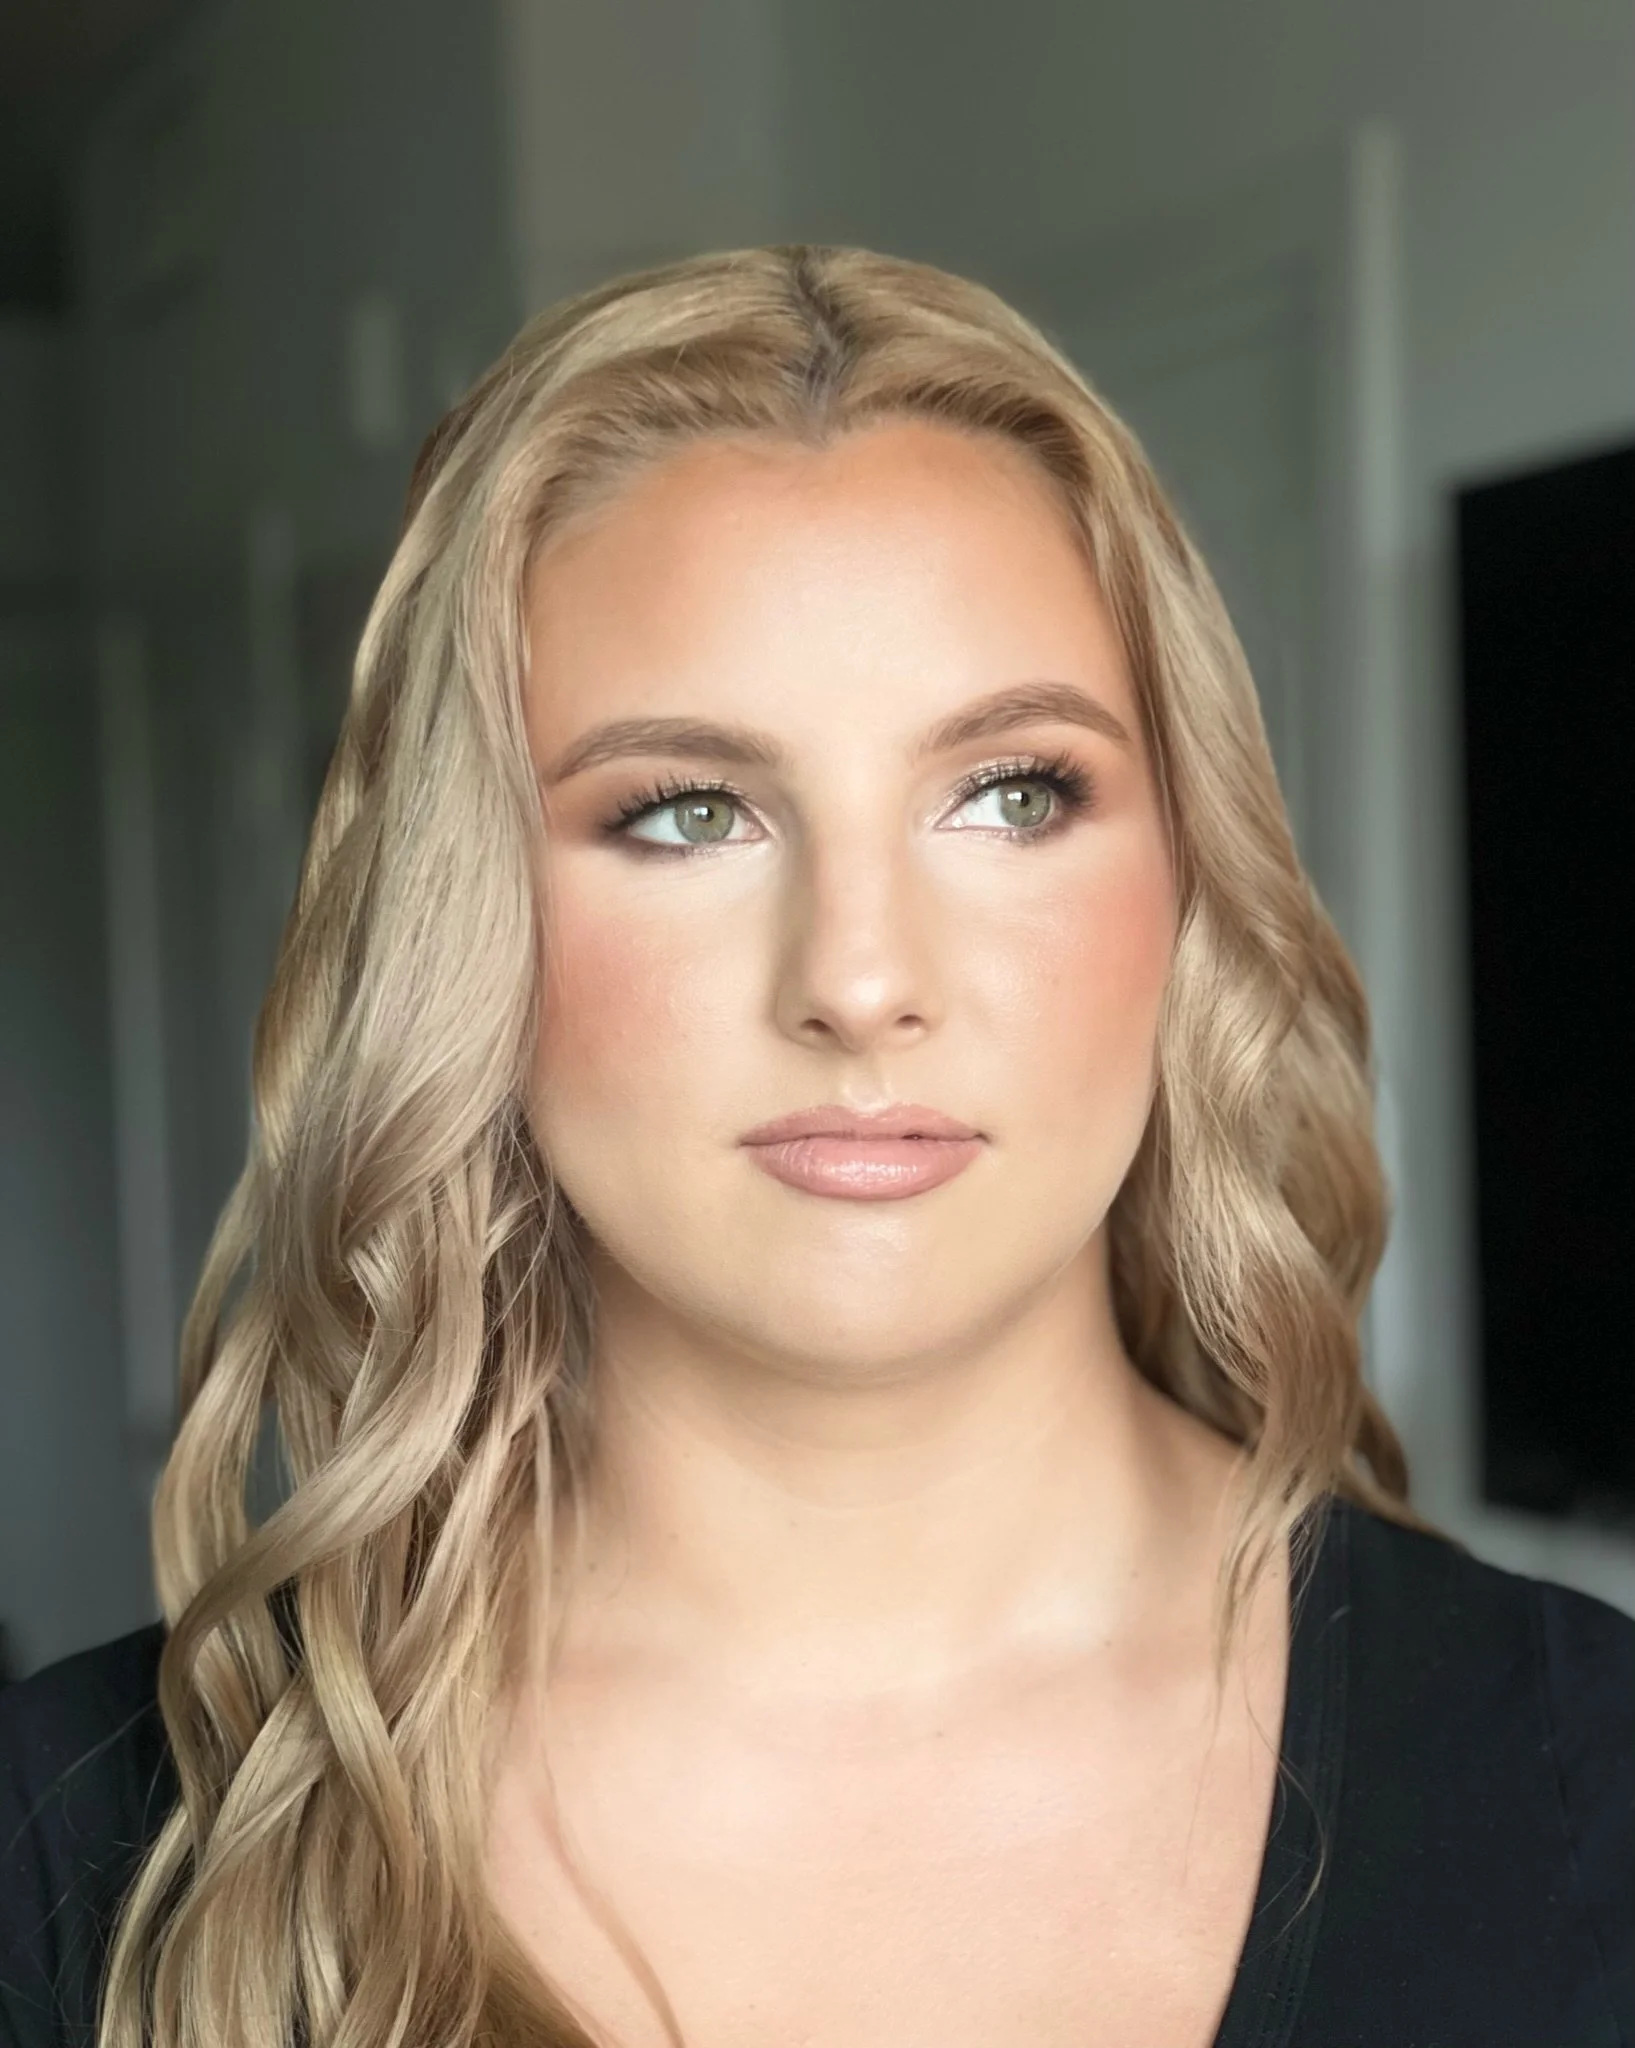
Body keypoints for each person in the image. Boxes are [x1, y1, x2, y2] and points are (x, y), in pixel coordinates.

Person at [2, 243, 1630, 2048]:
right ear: (467, 927)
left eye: (1014, 795)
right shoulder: (79, 1857)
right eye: (688, 812)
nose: (860, 980)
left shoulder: (1595, 1786)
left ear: (1188, 884)